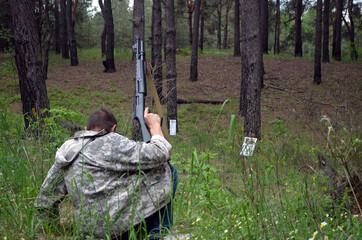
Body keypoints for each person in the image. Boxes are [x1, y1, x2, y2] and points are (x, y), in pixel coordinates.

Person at [34, 108, 178, 239]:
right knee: (168, 169)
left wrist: (55, 230)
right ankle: (157, 234)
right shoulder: (111, 140)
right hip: (119, 229)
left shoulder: (68, 149)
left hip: (87, 231)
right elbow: (161, 153)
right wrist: (154, 126)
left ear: (86, 129)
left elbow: (44, 199)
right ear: (113, 129)